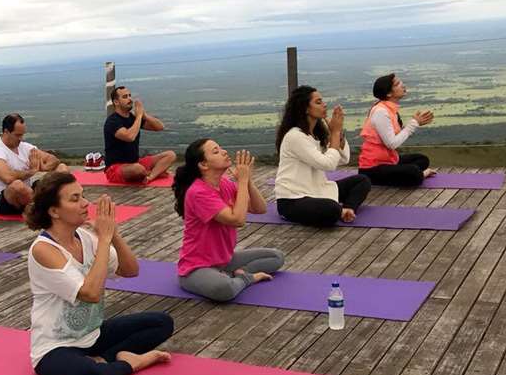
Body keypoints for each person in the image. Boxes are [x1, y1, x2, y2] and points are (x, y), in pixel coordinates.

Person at [25, 171, 173, 375]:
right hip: (55, 347)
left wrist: (113, 234)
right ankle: (130, 363)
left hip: (93, 334)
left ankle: (106, 358)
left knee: (162, 322)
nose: (86, 203)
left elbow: (131, 270)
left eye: (83, 196)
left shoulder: (85, 237)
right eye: (75, 199)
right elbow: (90, 293)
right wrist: (103, 239)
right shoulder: (43, 250)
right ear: (54, 211)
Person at [173, 139, 284, 301]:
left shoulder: (224, 183)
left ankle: (232, 273)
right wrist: (243, 181)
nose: (224, 152)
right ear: (203, 164)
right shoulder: (198, 192)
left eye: (221, 148)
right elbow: (237, 220)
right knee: (224, 290)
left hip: (225, 260)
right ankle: (244, 278)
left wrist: (248, 182)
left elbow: (260, 209)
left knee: (277, 257)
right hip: (196, 268)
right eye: (216, 151)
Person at [275, 86, 371, 227]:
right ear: (305, 109)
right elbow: (329, 165)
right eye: (318, 102)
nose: (324, 104)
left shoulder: (317, 132)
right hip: (293, 199)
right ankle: (339, 210)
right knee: (330, 209)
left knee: (362, 181)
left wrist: (337, 134)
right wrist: (335, 133)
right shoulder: (295, 136)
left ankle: (347, 209)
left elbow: (344, 159)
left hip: (319, 191)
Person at [358, 73, 436, 187]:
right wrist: (413, 124)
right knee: (413, 171)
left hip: (389, 160)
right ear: (389, 93)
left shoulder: (390, 109)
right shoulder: (381, 112)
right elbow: (392, 144)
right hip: (372, 168)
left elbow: (395, 136)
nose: (403, 85)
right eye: (397, 84)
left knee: (422, 159)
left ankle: (406, 174)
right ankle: (420, 175)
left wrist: (415, 123)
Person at [0, 113, 68, 216]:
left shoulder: (25, 147)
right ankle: (47, 207)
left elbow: (53, 160)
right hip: (7, 200)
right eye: (17, 135)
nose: (21, 138)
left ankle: (54, 203)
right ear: (6, 132)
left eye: (22, 134)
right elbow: (7, 177)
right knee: (17, 185)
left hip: (29, 194)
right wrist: (32, 171)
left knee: (62, 168)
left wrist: (44, 167)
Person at [103, 86, 176, 184]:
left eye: (129, 96)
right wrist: (139, 117)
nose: (130, 99)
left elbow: (160, 127)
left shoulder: (133, 118)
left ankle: (150, 176)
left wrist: (144, 115)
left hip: (136, 162)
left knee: (170, 155)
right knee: (138, 169)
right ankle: (155, 172)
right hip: (116, 168)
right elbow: (129, 136)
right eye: (125, 97)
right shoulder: (112, 121)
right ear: (116, 102)